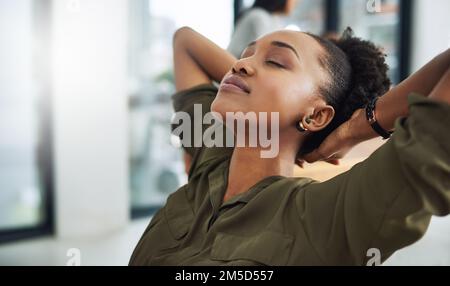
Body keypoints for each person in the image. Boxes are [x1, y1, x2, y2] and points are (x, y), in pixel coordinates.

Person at [129, 26, 450, 266]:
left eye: (278, 62)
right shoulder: (212, 155)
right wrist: (255, 80)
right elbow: (186, 41)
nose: (240, 65)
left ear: (316, 115)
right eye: (246, 55)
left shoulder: (326, 218)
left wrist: (354, 128)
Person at [227, 0, 299, 58]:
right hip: (232, 63)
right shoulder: (259, 16)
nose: (296, 2)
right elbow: (267, 52)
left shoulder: (275, 20)